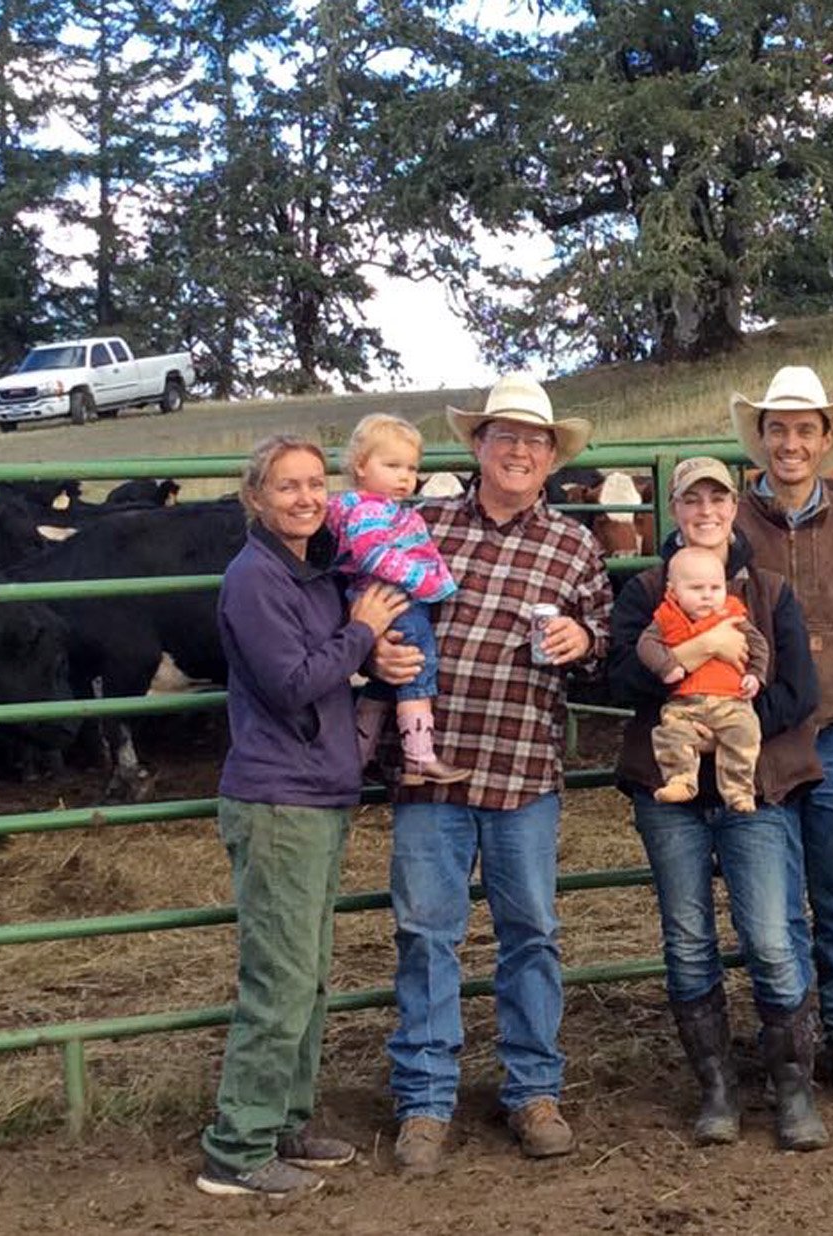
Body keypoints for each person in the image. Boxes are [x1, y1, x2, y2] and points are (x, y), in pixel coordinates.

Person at [387, 372, 613, 1176]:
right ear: (477, 445)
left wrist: (583, 645)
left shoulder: (576, 545)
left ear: (553, 459)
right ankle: (424, 1100)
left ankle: (533, 1089)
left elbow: (604, 654)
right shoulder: (423, 525)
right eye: (505, 436)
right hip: (432, 769)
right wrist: (378, 650)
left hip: (523, 766)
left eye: (535, 441)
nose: (520, 451)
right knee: (426, 934)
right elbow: (376, 608)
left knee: (532, 936)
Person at [196, 435, 408, 1199]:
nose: (306, 498)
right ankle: (238, 1146)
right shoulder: (255, 579)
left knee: (308, 975)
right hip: (278, 797)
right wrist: (363, 631)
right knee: (280, 978)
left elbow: (331, 668)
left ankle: (285, 1118)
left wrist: (364, 645)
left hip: (316, 791)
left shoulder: (310, 572)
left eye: (316, 484)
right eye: (287, 487)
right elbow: (290, 683)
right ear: (255, 497)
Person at [608, 456, 829, 1151]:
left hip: (752, 785)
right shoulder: (646, 590)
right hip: (667, 786)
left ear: (736, 507)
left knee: (769, 933)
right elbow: (618, 678)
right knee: (688, 940)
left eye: (718, 499)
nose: (707, 510)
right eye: (692, 500)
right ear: (674, 508)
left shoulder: (769, 590)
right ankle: (717, 1089)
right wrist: (699, 651)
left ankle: (792, 1088)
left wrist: (734, 709)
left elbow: (801, 690)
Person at [731, 364, 833, 1107]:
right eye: (778, 429)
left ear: (827, 440)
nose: (791, 443)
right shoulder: (728, 521)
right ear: (761, 439)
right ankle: (795, 1047)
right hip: (759, 740)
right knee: (775, 907)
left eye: (804, 430)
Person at [332, 413, 467, 785]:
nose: (405, 477)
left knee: (382, 684)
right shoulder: (370, 511)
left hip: (378, 597)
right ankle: (420, 756)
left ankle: (355, 756)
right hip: (395, 599)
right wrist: (424, 580)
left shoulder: (361, 508)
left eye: (411, 468)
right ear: (360, 466)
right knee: (417, 672)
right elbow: (373, 556)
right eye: (392, 465)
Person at [637, 545, 769, 811]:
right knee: (670, 732)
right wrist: (667, 667)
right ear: (673, 591)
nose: (707, 596)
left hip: (731, 700)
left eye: (715, 588)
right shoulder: (666, 617)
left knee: (745, 733)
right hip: (685, 702)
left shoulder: (733, 615)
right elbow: (646, 645)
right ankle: (680, 779)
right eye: (697, 589)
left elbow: (759, 646)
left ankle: (739, 790)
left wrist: (756, 675)